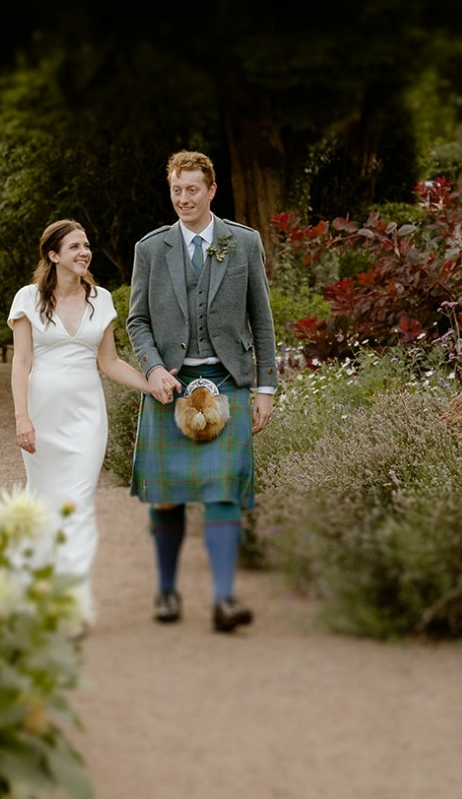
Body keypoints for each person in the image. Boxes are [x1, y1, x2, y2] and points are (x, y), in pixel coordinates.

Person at [127, 150, 278, 633]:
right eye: (176, 190)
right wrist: (151, 369)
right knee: (167, 497)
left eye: (192, 189)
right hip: (169, 386)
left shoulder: (244, 243)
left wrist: (265, 386)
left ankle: (224, 600)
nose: (184, 198)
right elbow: (137, 320)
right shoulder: (151, 249)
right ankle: (167, 591)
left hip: (228, 381)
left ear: (212, 190)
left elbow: (262, 319)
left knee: (223, 492)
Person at [8, 219, 150, 631]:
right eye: (74, 247)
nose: (84, 252)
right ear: (53, 255)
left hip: (87, 419)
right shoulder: (27, 299)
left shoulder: (101, 299)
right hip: (41, 417)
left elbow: (110, 362)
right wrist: (22, 417)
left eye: (86, 245)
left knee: (78, 507)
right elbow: (22, 362)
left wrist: (153, 385)